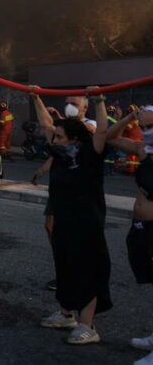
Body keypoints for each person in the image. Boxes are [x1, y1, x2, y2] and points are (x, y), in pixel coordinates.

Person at [32, 87, 111, 345]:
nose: (54, 141)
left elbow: (101, 130)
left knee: (87, 269)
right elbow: (46, 124)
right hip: (64, 219)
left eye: (59, 137)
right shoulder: (59, 153)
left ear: (74, 140)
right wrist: (36, 97)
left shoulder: (91, 152)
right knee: (65, 266)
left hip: (87, 220)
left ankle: (88, 325)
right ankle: (67, 313)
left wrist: (99, 100)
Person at [35, 95, 98, 291]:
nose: (70, 106)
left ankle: (76, 272)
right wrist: (36, 98)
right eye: (68, 103)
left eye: (75, 104)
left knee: (75, 233)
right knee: (50, 225)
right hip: (59, 186)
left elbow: (88, 131)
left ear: (85, 108)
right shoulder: (63, 129)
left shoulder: (89, 124)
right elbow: (47, 127)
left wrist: (63, 120)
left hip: (78, 190)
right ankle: (64, 269)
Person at [106, 105, 153, 363]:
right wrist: (129, 117)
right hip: (140, 226)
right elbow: (111, 137)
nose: (145, 131)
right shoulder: (142, 150)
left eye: (148, 127)